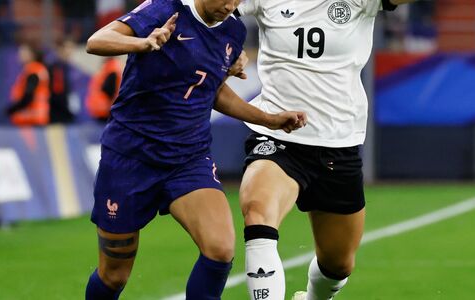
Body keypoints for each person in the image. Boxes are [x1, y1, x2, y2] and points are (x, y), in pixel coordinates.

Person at [83, 0, 306, 298]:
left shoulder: (233, 32)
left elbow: (212, 91)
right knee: (113, 276)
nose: (231, 5)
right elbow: (96, 41)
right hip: (131, 156)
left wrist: (268, 119)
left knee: (220, 249)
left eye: (238, 0)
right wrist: (143, 43)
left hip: (188, 158)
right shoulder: (164, 9)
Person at [230, 0, 418, 299]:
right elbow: (209, 11)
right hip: (279, 137)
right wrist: (225, 44)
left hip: (337, 143)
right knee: (257, 212)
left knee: (338, 263)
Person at [6, 43, 50, 126]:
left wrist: (11, 110)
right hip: (36, 117)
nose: (19, 55)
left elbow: (28, 96)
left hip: (32, 118)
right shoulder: (35, 69)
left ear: (32, 55)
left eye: (23, 52)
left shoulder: (33, 71)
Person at [48, 38, 76, 124]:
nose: (70, 51)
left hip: (65, 114)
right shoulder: (56, 68)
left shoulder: (67, 67)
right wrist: (67, 110)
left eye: (72, 48)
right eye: (68, 48)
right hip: (58, 116)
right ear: (60, 49)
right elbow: (57, 92)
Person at [85, 56, 122, 122]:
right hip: (105, 109)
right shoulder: (113, 69)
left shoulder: (105, 69)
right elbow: (108, 89)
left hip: (97, 108)